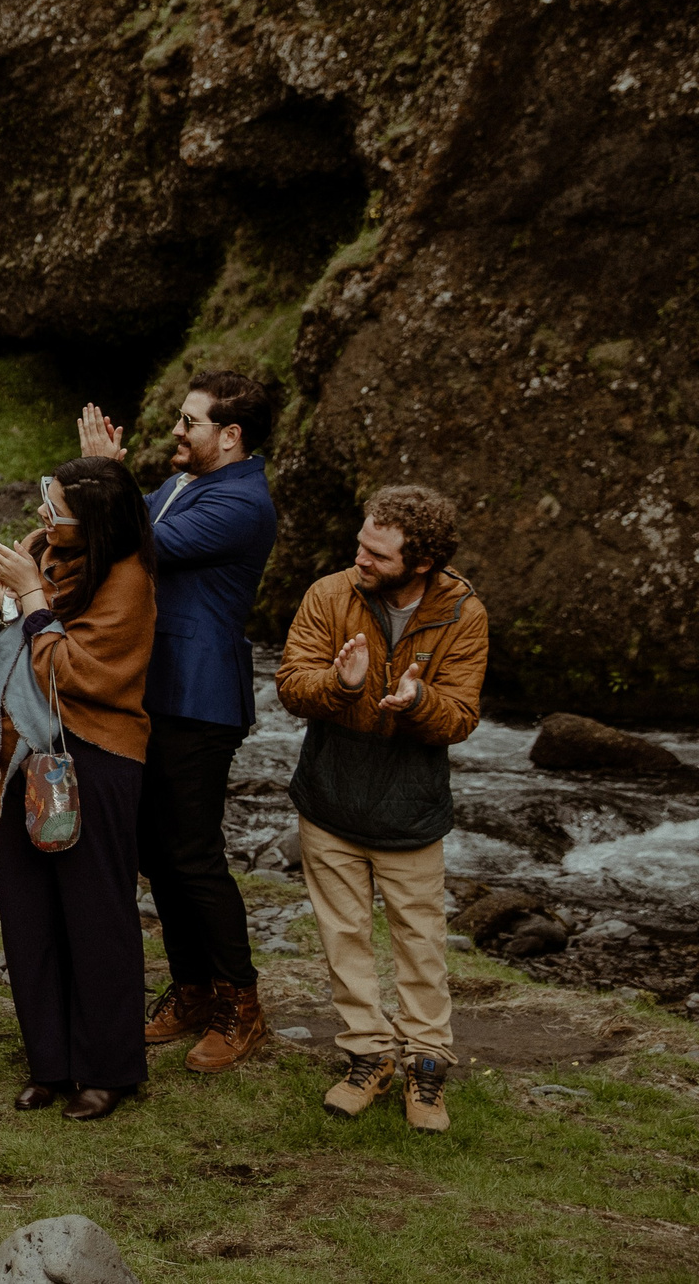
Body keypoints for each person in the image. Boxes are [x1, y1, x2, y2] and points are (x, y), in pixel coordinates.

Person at [79, 373, 281, 1073]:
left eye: (190, 421)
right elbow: (125, 525)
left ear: (231, 435)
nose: (177, 429)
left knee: (193, 854)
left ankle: (241, 1004)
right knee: (157, 851)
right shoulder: (179, 485)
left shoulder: (244, 501)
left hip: (199, 697)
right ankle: (193, 987)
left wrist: (108, 472)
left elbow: (140, 546)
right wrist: (115, 481)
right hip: (152, 689)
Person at [274, 485, 486, 1135]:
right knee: (343, 938)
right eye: (362, 543)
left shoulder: (462, 612)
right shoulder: (330, 593)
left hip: (409, 810)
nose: (359, 557)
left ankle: (427, 1063)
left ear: (418, 561)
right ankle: (368, 1054)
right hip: (329, 799)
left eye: (377, 553)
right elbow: (290, 681)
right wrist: (342, 685)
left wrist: (418, 700)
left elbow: (463, 716)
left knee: (420, 945)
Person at [0, 457, 156, 1122]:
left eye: (56, 510)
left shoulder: (129, 579)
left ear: (96, 522)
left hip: (95, 758)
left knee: (95, 916)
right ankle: (47, 1061)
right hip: (23, 755)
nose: (43, 521)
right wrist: (14, 591)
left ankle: (107, 1069)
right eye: (42, 505)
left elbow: (74, 671)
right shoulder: (41, 559)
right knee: (29, 916)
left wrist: (32, 597)